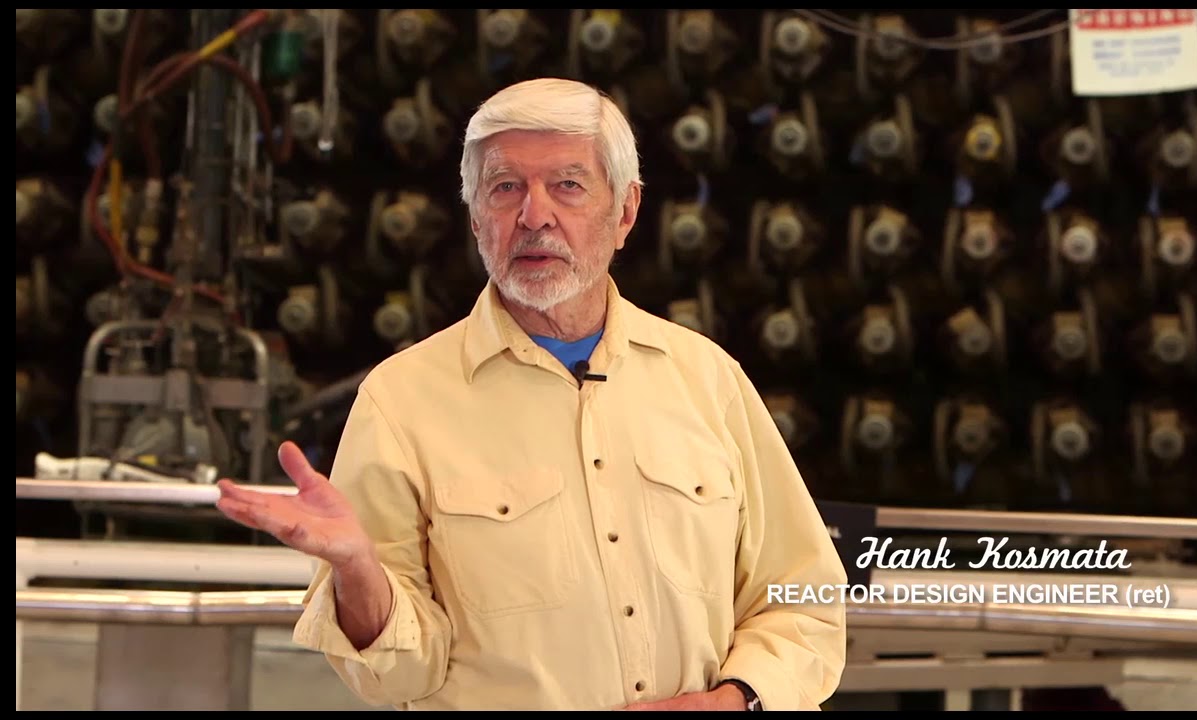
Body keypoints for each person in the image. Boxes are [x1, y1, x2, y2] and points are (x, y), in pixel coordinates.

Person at [215, 77, 848, 711]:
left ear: (624, 212)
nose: (534, 215)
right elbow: (396, 676)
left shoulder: (708, 381)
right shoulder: (400, 402)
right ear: (475, 218)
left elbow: (803, 597)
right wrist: (358, 572)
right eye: (505, 188)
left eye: (568, 186)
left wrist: (738, 700)